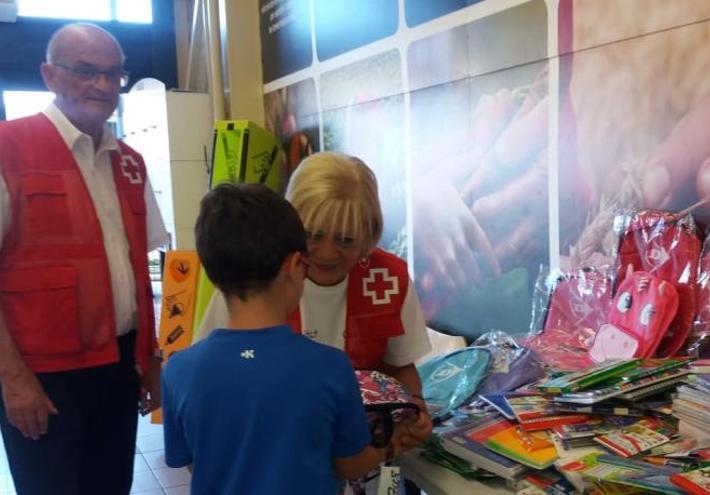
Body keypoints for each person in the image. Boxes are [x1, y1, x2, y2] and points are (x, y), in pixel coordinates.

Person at [0, 23, 168, 494]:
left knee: (111, 484)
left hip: (117, 366)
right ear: (50, 75)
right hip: (41, 377)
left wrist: (150, 358)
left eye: (112, 74)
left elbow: (139, 272)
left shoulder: (130, 161)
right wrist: (12, 379)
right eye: (85, 71)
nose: (101, 85)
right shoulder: (7, 149)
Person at [163, 183, 395, 494]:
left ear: (208, 268)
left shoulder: (178, 371)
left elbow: (192, 461)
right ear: (295, 266)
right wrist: (390, 447)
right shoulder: (329, 366)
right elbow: (348, 463)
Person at [195, 151, 433, 451]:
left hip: (364, 449)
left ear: (368, 234)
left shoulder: (389, 278)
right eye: (313, 235)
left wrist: (417, 408)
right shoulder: (257, 272)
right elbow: (210, 368)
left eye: (346, 240)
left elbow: (401, 365)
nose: (326, 253)